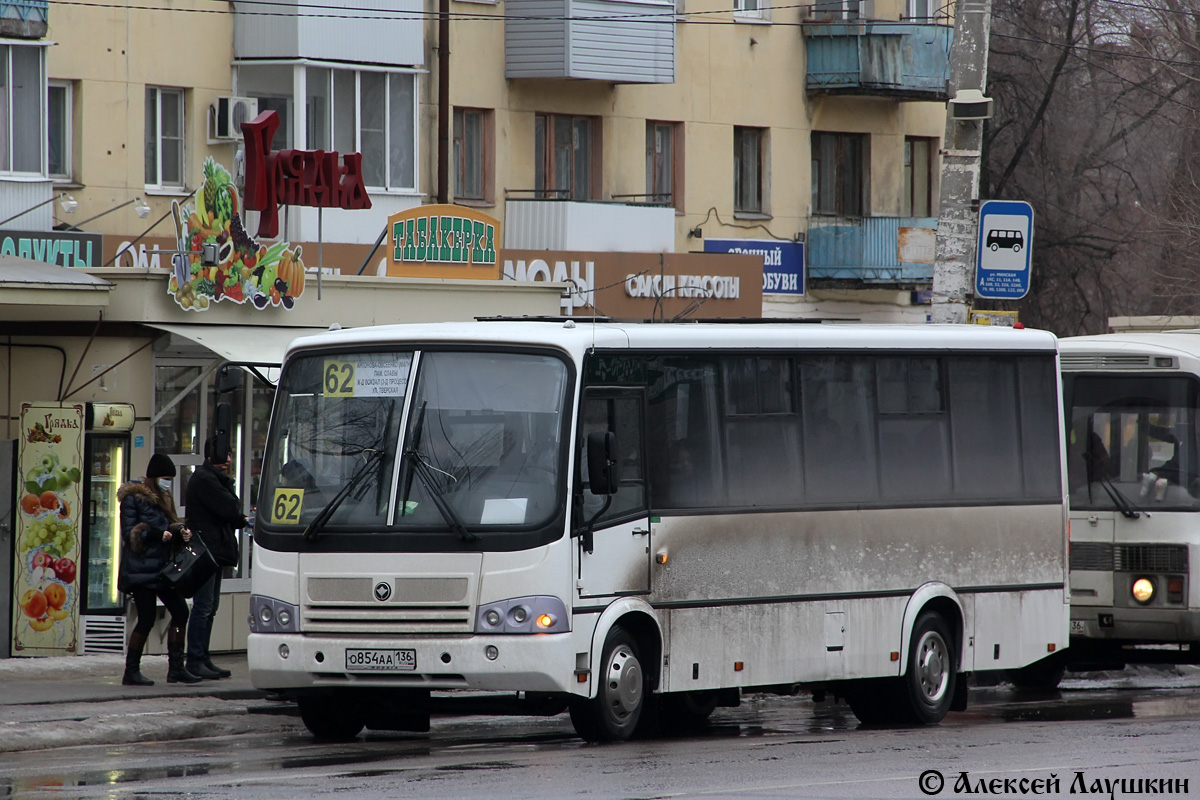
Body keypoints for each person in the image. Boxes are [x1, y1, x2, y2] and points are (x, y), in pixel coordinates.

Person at [117, 453, 202, 686]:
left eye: (170, 478)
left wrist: (179, 530)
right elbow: (130, 533)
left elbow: (168, 524)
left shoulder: (164, 496)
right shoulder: (133, 497)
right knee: (146, 618)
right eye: (165, 477)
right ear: (154, 477)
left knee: (180, 612)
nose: (168, 482)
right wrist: (156, 534)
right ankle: (131, 671)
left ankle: (176, 668)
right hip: (141, 570)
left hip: (162, 569)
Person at [185, 436, 249, 679]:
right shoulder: (206, 480)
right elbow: (230, 508)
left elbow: (230, 512)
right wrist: (237, 514)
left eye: (230, 455)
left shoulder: (210, 479)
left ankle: (203, 658)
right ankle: (195, 659)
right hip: (207, 551)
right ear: (211, 457)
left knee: (210, 607)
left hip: (214, 549)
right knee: (204, 607)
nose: (229, 461)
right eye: (225, 456)